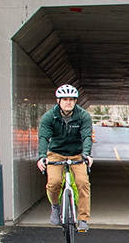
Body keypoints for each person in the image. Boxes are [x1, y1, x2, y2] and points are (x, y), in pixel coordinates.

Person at [36, 84, 94, 231]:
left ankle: (82, 219)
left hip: (77, 153)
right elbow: (43, 137)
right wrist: (42, 156)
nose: (68, 102)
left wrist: (86, 154)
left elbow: (87, 136)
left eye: (71, 99)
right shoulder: (49, 117)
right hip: (56, 153)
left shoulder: (83, 116)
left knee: (82, 183)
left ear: (75, 101)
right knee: (54, 183)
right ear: (58, 101)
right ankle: (55, 207)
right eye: (65, 99)